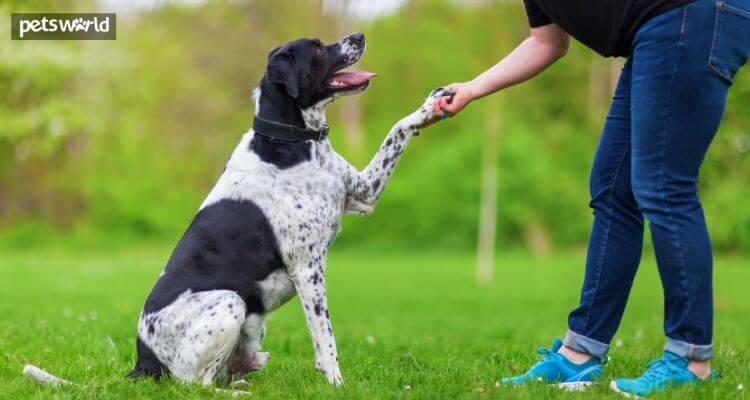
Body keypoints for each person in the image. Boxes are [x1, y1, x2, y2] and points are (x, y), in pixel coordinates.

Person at [427, 0, 749, 397]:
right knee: (613, 189)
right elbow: (546, 43)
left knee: (664, 185)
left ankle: (691, 358)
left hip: (688, 15)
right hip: (658, 32)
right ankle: (580, 352)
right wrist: (473, 88)